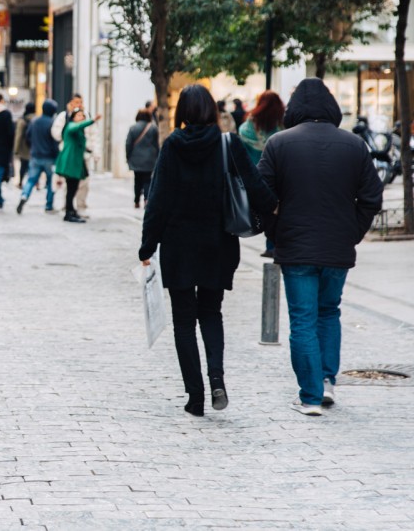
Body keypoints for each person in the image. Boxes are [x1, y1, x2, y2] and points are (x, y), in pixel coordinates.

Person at [139, 84, 277, 417]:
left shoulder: (172, 146)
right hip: (218, 244)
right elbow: (256, 187)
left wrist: (147, 245)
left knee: (184, 321)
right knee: (212, 313)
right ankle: (217, 378)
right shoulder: (229, 143)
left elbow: (158, 201)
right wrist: (277, 212)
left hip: (179, 246)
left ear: (182, 112)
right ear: (212, 111)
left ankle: (195, 396)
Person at [257, 78, 383, 416]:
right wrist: (352, 232)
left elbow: (261, 195)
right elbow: (372, 197)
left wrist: (276, 231)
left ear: (294, 109)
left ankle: (310, 396)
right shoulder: (354, 145)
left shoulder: (279, 143)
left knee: (302, 319)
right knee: (329, 311)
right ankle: (326, 381)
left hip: (295, 245)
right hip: (337, 247)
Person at [239, 91, 285, 257]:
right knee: (278, 210)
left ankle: (270, 245)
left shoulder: (250, 124)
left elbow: (242, 146)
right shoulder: (282, 124)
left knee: (265, 209)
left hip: (255, 175)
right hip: (278, 173)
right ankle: (274, 244)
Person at [55, 107, 102, 223]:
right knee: (71, 187)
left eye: (83, 116)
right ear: (73, 117)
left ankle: (71, 210)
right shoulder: (71, 126)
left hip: (76, 161)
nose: (81, 118)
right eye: (79, 116)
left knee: (74, 187)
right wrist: (92, 120)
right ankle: (69, 212)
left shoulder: (79, 130)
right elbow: (77, 127)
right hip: (70, 162)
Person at [16, 100, 59, 215]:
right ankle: (49, 205)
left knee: (31, 179)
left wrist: (33, 147)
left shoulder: (34, 121)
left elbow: (28, 136)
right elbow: (55, 141)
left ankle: (24, 195)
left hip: (35, 155)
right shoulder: (52, 122)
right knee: (50, 182)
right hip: (49, 157)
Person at [126, 108, 159, 208]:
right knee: (147, 180)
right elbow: (156, 145)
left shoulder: (133, 128)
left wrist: (128, 156)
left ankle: (136, 201)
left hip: (136, 159)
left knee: (137, 180)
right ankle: (146, 200)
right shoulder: (153, 128)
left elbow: (128, 144)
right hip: (150, 159)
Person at [13, 102, 36, 188]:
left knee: (23, 166)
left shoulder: (22, 120)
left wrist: (16, 149)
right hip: (35, 147)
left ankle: (20, 182)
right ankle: (35, 183)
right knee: (34, 167)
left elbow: (18, 136)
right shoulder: (37, 119)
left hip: (24, 147)